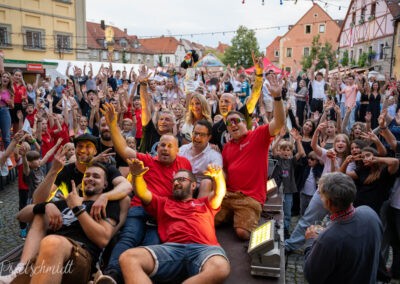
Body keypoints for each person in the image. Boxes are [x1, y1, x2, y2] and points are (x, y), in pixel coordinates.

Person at [98, 102, 192, 284]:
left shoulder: (184, 165)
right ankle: (111, 275)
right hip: (139, 210)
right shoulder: (147, 161)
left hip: (163, 215)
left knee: (151, 247)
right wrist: (112, 125)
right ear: (156, 149)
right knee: (129, 238)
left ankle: (139, 278)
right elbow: (124, 150)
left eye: (169, 146)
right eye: (161, 145)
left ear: (178, 150)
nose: (164, 148)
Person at [1, 163, 120, 284]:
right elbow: (21, 215)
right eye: (87, 175)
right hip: (47, 256)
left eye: (96, 176)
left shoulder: (107, 204)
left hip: (80, 257)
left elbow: (103, 239)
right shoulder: (66, 202)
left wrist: (77, 209)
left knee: (53, 242)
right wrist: (46, 205)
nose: (90, 178)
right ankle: (21, 268)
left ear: (105, 184)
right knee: (40, 215)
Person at [119, 159, 230, 284]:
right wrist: (137, 176)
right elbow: (142, 193)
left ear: (193, 185)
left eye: (181, 179)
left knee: (220, 267)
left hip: (204, 248)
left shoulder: (204, 203)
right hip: (171, 249)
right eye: (175, 180)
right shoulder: (163, 202)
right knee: (128, 258)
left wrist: (218, 176)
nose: (176, 183)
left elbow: (219, 193)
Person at [216, 73, 285, 240]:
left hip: (250, 198)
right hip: (228, 196)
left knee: (243, 233)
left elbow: (279, 123)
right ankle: (233, 216)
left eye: (236, 121)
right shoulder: (227, 147)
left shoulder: (258, 135)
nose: (232, 125)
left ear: (244, 123)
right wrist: (216, 175)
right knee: (205, 221)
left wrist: (277, 98)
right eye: (229, 123)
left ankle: (240, 219)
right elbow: (225, 171)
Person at [304, 172, 383, 284]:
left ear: (329, 202)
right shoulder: (370, 213)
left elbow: (311, 276)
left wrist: (311, 241)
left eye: (320, 193)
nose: (318, 195)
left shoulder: (328, 239)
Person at [179, 119, 222, 197]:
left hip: (201, 190)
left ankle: (199, 208)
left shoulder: (214, 155)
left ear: (209, 137)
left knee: (207, 182)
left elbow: (217, 173)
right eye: (195, 133)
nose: (197, 137)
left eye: (202, 135)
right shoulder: (182, 150)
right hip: (181, 186)